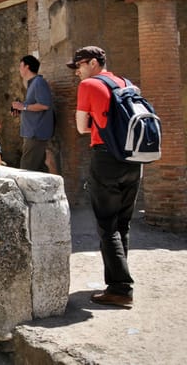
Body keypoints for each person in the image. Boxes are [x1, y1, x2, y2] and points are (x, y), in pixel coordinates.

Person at [69, 45, 140, 308]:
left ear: (92, 63)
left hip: (107, 157)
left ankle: (121, 288)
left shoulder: (89, 86)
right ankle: (117, 282)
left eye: (79, 66)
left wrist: (97, 123)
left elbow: (80, 127)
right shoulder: (126, 83)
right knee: (123, 223)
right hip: (133, 159)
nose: (77, 72)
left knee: (106, 224)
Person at [11, 55, 55, 172]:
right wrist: (21, 109)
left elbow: (44, 105)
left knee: (27, 169)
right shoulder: (33, 83)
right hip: (33, 132)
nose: (19, 69)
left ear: (27, 67)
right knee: (39, 169)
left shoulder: (38, 83)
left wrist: (23, 106)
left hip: (36, 133)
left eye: (20, 66)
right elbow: (33, 106)